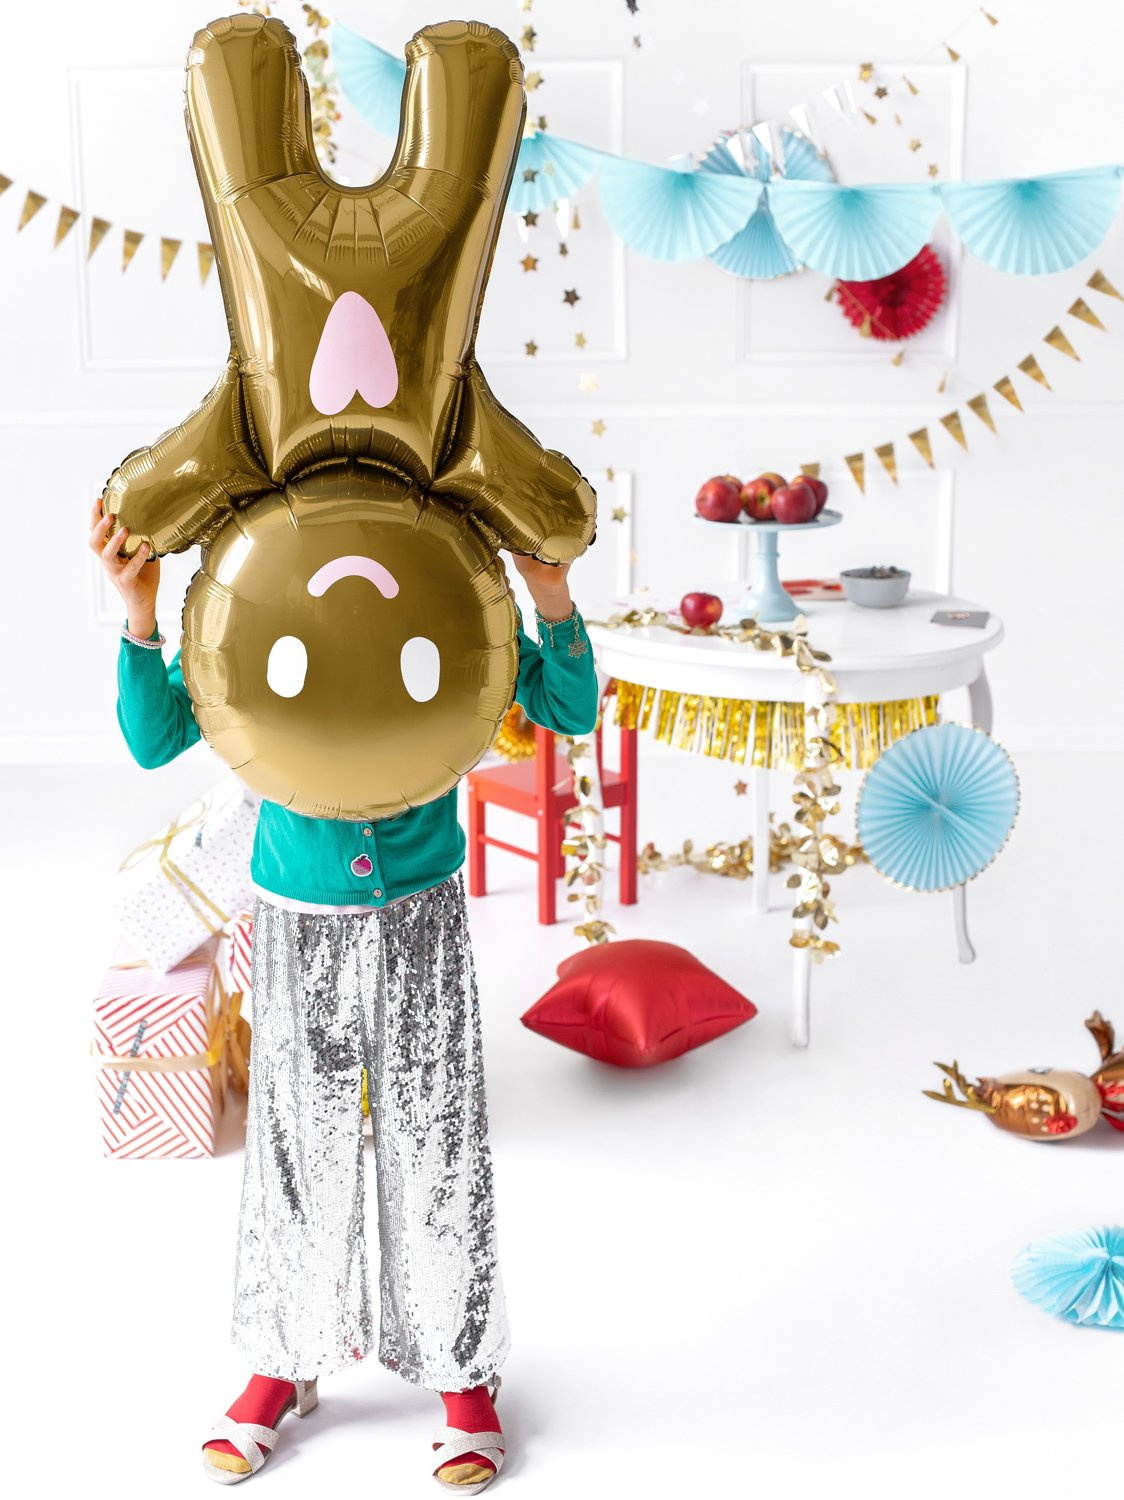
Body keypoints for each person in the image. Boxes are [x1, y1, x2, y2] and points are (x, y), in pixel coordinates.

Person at [90, 500, 599, 1490]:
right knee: (297, 1141)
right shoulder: (261, 587)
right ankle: (283, 1361)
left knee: (435, 1140)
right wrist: (140, 613)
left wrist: (551, 600)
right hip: (298, 915)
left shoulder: (447, 580)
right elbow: (154, 739)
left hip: (419, 911)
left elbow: (567, 708)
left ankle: (462, 1371)